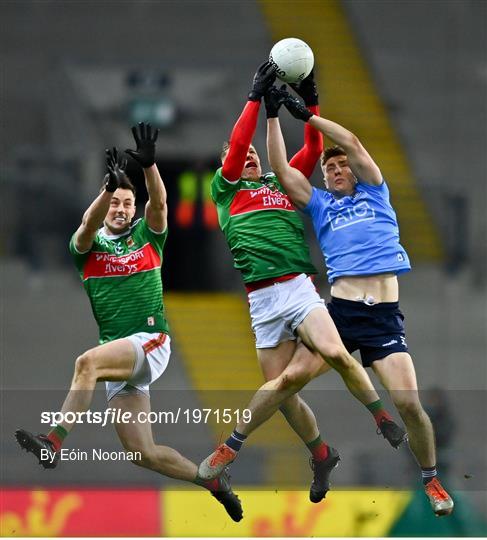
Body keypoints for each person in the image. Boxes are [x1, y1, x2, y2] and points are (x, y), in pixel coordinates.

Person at [197, 63, 406, 503]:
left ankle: (380, 417)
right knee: (284, 395)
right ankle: (322, 454)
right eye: (241, 155)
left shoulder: (282, 184)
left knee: (333, 350)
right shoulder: (225, 189)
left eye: (255, 153)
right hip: (260, 301)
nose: (248, 155)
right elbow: (235, 147)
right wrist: (254, 99)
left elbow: (312, 143)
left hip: (298, 287)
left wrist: (307, 103)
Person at [15, 123, 243, 522]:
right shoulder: (86, 249)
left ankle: (52, 443)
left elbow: (160, 203)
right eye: (115, 203)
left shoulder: (147, 237)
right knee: (142, 454)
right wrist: (107, 189)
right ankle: (211, 480)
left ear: (134, 209)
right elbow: (86, 227)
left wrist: (150, 166)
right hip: (122, 356)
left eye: (126, 203)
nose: (121, 209)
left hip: (149, 341)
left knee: (86, 363)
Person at [261, 85, 454, 516]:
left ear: (354, 172)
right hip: (340, 314)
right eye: (328, 170)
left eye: (341, 167)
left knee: (409, 404)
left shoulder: (375, 192)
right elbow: (279, 167)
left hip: (384, 320)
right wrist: (272, 116)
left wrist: (308, 116)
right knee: (287, 382)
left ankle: (431, 479)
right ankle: (318, 454)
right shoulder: (321, 205)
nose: (335, 171)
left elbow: (352, 142)